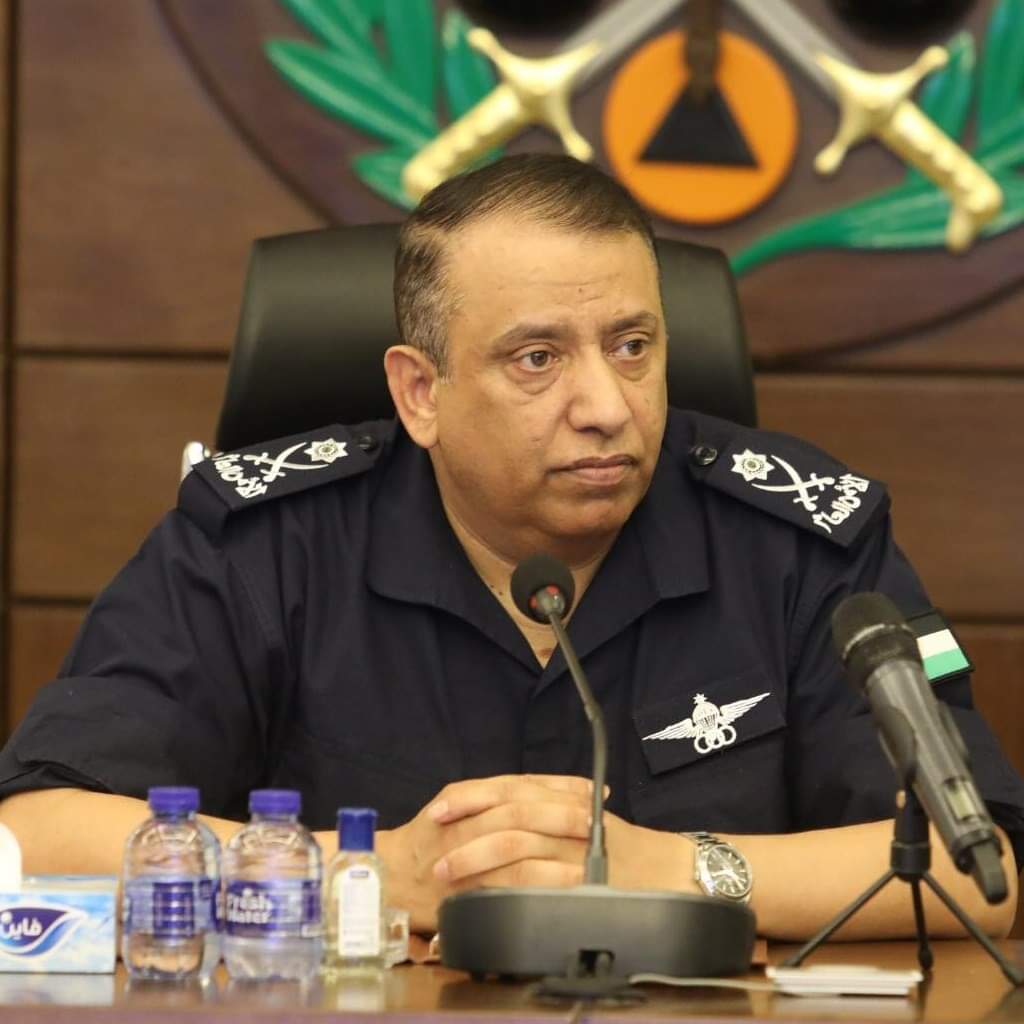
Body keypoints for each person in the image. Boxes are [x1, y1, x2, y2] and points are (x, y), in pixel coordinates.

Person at [0, 154, 1021, 942]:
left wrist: (670, 871)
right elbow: (35, 832)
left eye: (632, 346)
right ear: (420, 393)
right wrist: (368, 873)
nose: (606, 405)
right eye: (538, 358)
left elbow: (988, 864)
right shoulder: (264, 544)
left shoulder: (800, 542)